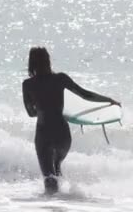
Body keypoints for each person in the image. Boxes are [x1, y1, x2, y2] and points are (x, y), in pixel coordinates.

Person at [22, 47, 120, 194]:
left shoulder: (28, 84)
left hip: (43, 134)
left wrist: (43, 110)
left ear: (31, 63)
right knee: (56, 167)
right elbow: (85, 94)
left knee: (49, 178)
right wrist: (108, 100)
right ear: (48, 61)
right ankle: (62, 206)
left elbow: (30, 113)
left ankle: (52, 211)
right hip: (62, 133)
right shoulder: (60, 79)